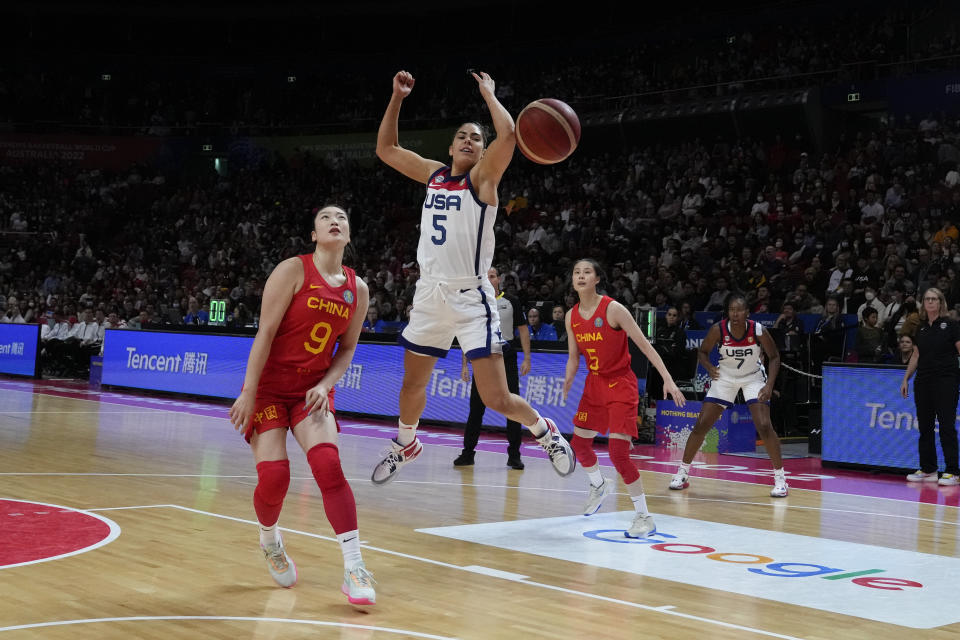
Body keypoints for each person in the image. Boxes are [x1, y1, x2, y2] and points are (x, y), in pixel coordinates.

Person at [372, 69, 575, 483]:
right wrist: (397, 97)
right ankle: (405, 442)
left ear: (483, 152)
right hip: (430, 293)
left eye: (476, 138)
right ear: (450, 147)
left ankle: (545, 430)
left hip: (470, 297)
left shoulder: (483, 180)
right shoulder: (432, 174)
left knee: (496, 397)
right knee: (412, 386)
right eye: (462, 136)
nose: (468, 140)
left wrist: (489, 94)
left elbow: (510, 136)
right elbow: (387, 148)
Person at [228, 205, 376, 605]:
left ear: (348, 234)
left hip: (312, 389)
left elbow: (346, 351)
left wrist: (326, 383)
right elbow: (265, 332)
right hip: (271, 389)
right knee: (275, 478)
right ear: (313, 234)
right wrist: (248, 391)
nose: (335, 221)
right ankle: (269, 539)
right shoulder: (293, 270)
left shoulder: (357, 289)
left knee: (328, 465)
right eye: (326, 218)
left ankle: (354, 568)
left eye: (343, 218)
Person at [562, 259, 686, 538]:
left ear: (597, 279)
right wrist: (569, 378)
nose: (581, 276)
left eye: (587, 272)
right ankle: (598, 484)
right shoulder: (571, 316)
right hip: (594, 384)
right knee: (579, 444)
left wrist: (667, 378)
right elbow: (573, 356)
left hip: (620, 385)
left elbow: (644, 344)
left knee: (618, 454)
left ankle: (644, 517)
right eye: (576, 273)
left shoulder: (614, 309)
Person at [668, 293, 789, 497]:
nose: (735, 313)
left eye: (739, 310)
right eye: (732, 310)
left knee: (764, 425)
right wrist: (708, 367)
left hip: (752, 377)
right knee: (701, 425)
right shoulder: (718, 329)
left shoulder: (757, 330)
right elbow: (702, 352)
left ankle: (781, 479)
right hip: (725, 377)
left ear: (747, 313)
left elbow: (775, 357)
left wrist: (769, 385)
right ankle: (682, 473)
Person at [454, 266, 532, 469]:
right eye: (486, 277)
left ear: (499, 280)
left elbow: (523, 331)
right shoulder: (475, 303)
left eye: (493, 276)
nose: (489, 279)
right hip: (482, 355)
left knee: (512, 406)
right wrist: (465, 365)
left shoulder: (511, 301)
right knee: (476, 408)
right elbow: (467, 335)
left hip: (506, 354)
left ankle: (514, 454)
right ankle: (468, 453)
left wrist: (527, 358)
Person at [899, 287, 960, 486]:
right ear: (923, 303)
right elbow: (916, 355)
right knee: (924, 427)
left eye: (934, 299)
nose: (931, 302)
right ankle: (928, 470)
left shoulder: (951, 325)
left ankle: (953, 471)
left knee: (946, 426)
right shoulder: (921, 327)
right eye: (927, 299)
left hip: (946, 381)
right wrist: (906, 378)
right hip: (923, 381)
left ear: (941, 303)